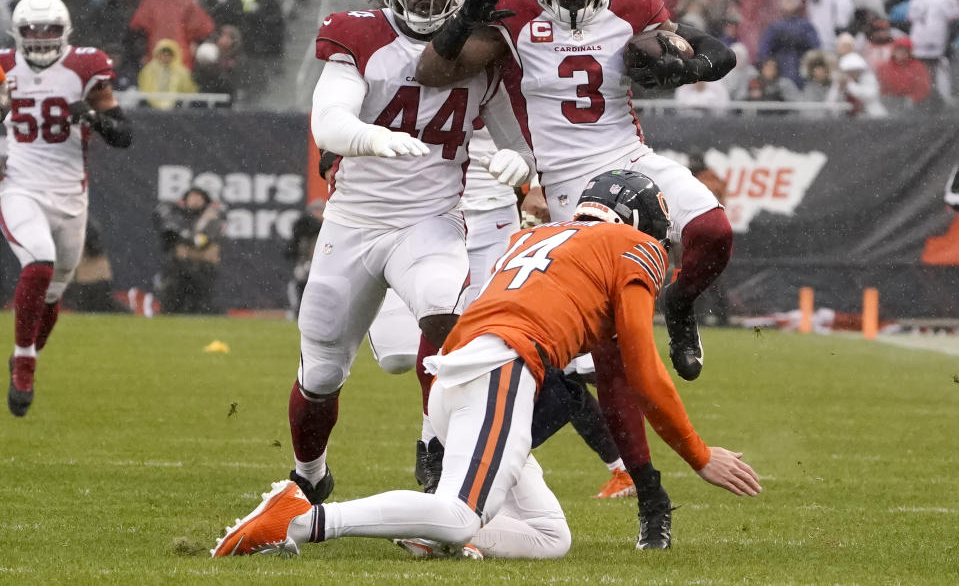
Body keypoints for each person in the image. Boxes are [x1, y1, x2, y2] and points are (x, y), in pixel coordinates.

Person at [211, 170, 762, 559]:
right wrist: (698, 454)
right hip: (501, 369)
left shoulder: (534, 235)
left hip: (463, 374)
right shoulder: (629, 246)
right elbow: (643, 369)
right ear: (641, 223)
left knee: (549, 538)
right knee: (460, 512)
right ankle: (300, 519)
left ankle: (431, 538)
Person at [415, 0, 737, 548]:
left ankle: (680, 305)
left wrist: (692, 62)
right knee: (614, 357)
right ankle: (650, 493)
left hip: (630, 158)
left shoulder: (639, 1)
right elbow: (434, 70)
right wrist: (461, 22)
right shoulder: (511, 9)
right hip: (565, 188)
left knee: (715, 232)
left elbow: (698, 48)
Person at [280, 0, 535, 514]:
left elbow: (519, 144)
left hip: (431, 220)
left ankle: (438, 449)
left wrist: (518, 166)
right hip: (354, 222)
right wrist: (368, 139)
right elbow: (330, 121)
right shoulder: (359, 34)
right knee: (319, 372)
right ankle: (307, 473)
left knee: (450, 320)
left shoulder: (484, 50)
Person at [0, 0, 132, 417]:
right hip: (19, 185)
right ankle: (24, 360)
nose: (39, 39)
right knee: (38, 263)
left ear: (65, 32)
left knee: (54, 293)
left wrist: (93, 117)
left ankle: (28, 352)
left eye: (48, 30)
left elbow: (124, 133)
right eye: (31, 31)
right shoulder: (4, 69)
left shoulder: (85, 65)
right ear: (17, 34)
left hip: (71, 194)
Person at [152, 187, 225, 314]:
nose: (195, 201)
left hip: (202, 274)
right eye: (192, 197)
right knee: (170, 306)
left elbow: (206, 248)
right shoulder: (176, 217)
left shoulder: (212, 219)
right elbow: (175, 248)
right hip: (177, 274)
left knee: (203, 309)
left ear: (205, 201)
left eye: (199, 197)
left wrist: (186, 239)